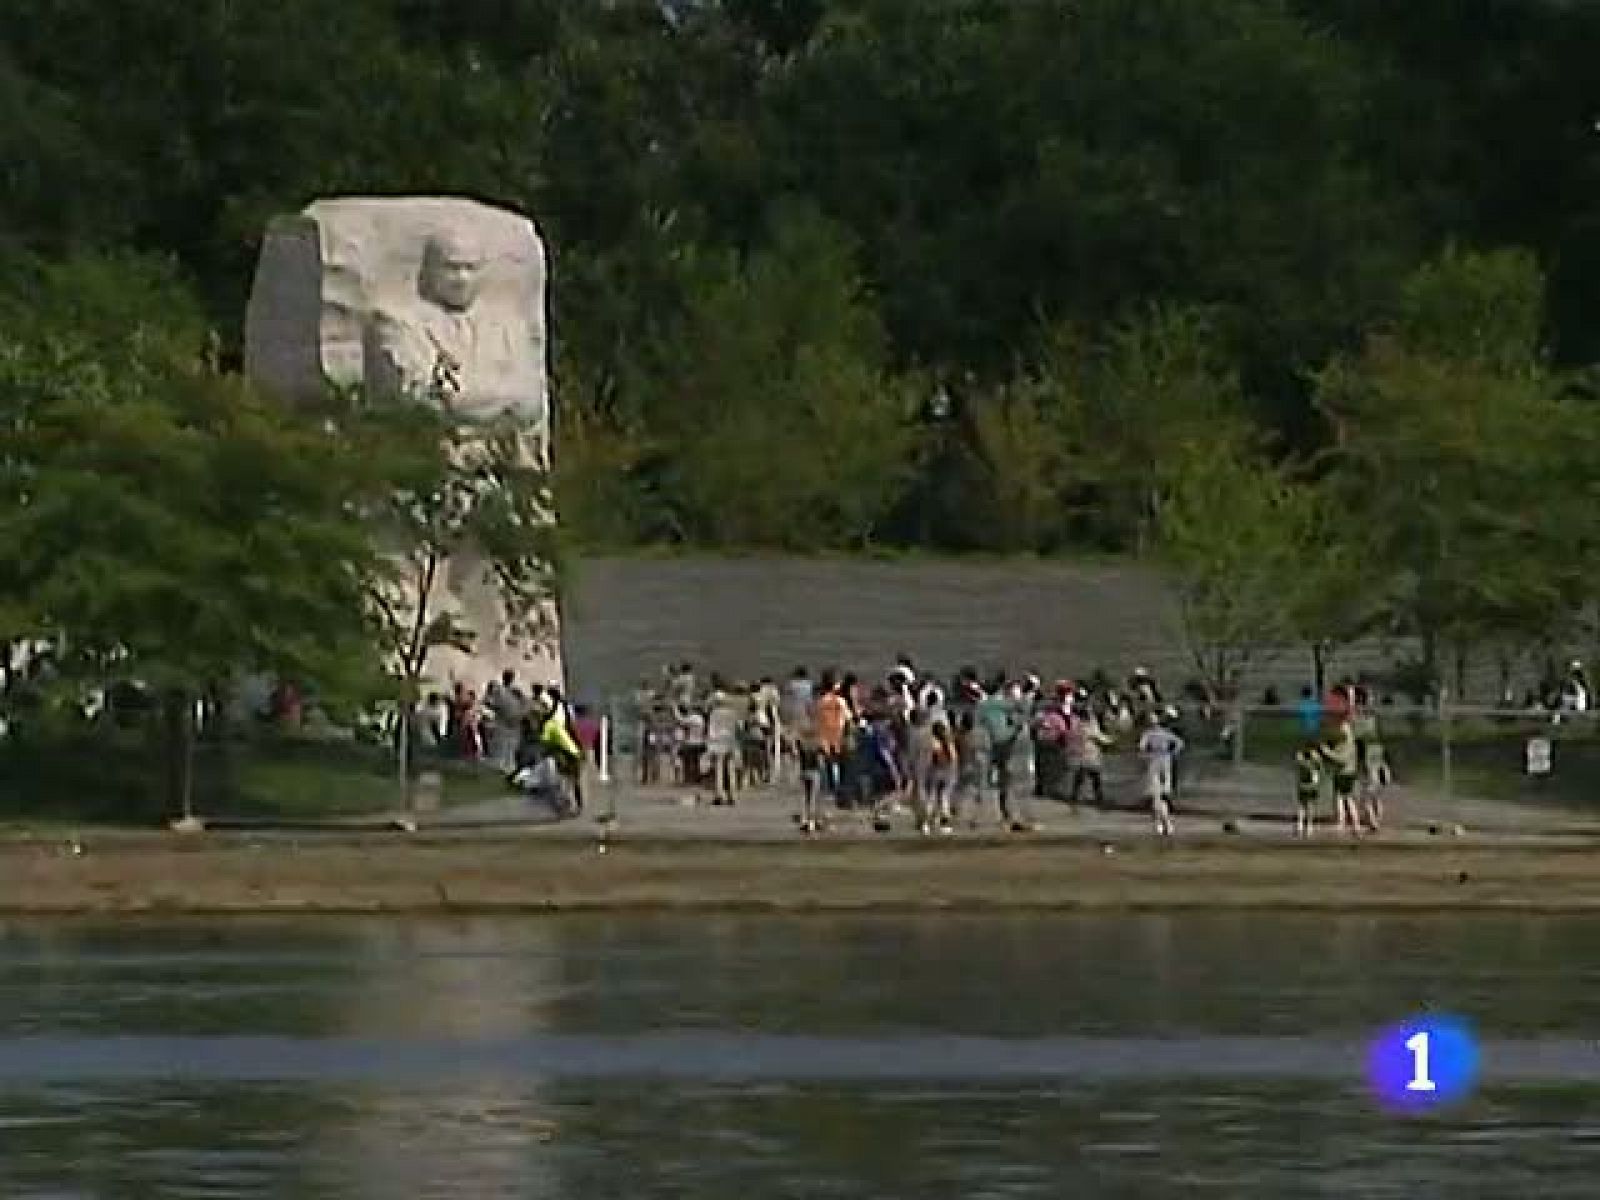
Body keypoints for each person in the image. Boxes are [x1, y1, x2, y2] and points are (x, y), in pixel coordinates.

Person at [1138, 713, 1185, 837]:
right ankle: (1165, 823)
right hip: (1165, 760)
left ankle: (1161, 823)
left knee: (1157, 795)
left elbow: (1142, 748)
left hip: (1156, 762)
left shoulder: (1149, 734)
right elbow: (1180, 743)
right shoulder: (1165, 733)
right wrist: (1172, 752)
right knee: (1162, 795)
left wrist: (1146, 755)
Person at [1321, 719, 1361, 835]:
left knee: (1346, 798)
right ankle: (1343, 821)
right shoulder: (1343, 743)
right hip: (1342, 772)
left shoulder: (1349, 745)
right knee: (1340, 798)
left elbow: (1342, 759)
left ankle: (1353, 823)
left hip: (1346, 773)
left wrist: (1327, 752)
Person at [1294, 741, 1323, 838]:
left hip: (1309, 785)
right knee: (1304, 805)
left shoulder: (1312, 759)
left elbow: (1318, 769)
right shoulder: (1303, 758)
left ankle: (1304, 825)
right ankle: (1302, 825)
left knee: (1306, 805)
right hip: (1305, 785)